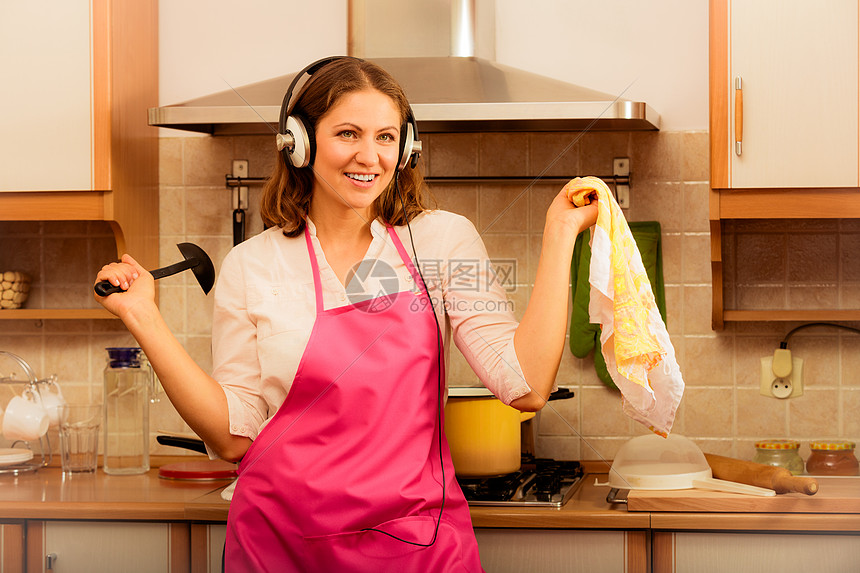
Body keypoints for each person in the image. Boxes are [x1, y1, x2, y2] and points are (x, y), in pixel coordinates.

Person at [95, 56, 597, 572]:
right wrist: (145, 321)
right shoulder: (252, 264)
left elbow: (527, 385)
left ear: (406, 149)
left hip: (415, 546)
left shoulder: (444, 242)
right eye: (348, 134)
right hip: (279, 546)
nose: (369, 156)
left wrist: (560, 235)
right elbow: (231, 436)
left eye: (386, 137)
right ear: (299, 142)